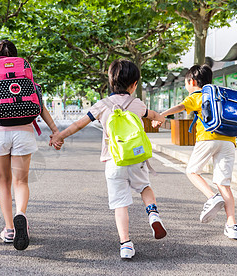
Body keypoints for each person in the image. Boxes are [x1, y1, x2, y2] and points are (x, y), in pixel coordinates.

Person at [50, 59, 167, 259]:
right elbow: (156, 116)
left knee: (120, 204)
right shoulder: (137, 104)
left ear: (110, 82)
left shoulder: (102, 105)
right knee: (145, 188)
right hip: (136, 158)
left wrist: (59, 136)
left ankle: (126, 244)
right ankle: (153, 213)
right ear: (134, 84)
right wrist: (158, 120)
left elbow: (79, 124)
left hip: (114, 160)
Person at [0, 39, 60, 251]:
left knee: (3, 180)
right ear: (15, 54)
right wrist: (55, 130)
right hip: (24, 132)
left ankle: (9, 228)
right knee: (21, 181)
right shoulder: (24, 72)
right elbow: (39, 106)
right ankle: (20, 213)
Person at [154, 64, 237, 240]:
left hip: (207, 138)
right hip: (229, 141)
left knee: (192, 171)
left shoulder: (197, 95)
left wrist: (160, 116)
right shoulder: (220, 96)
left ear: (191, 81)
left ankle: (211, 197)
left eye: (186, 83)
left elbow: (180, 107)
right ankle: (232, 225)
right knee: (224, 183)